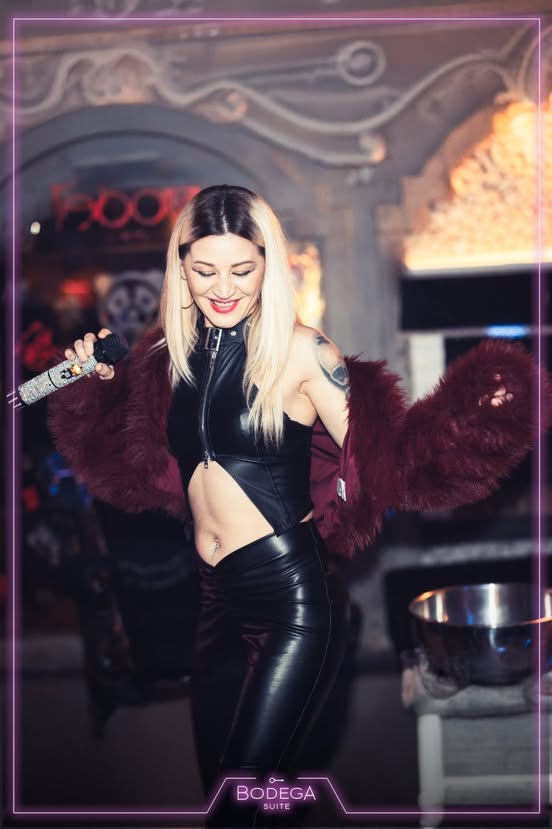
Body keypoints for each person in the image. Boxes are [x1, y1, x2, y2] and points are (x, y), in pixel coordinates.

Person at [48, 184, 544, 827]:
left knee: (236, 809)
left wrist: (476, 418)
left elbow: (393, 461)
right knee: (233, 799)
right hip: (214, 602)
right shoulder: (168, 358)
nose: (223, 288)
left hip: (290, 603)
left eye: (241, 270)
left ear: (268, 265)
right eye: (204, 270)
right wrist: (95, 388)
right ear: (181, 267)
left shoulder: (304, 353)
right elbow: (132, 470)